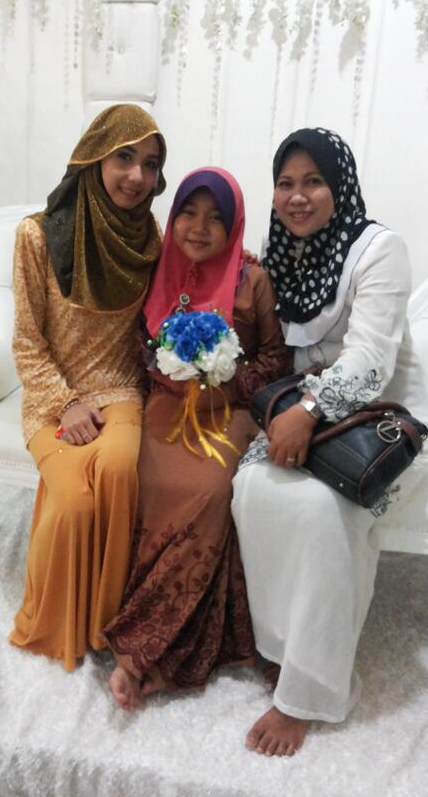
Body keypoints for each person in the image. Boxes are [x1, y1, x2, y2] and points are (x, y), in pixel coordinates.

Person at [231, 127, 428, 757]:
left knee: (322, 510)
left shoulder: (380, 250)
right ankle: (280, 648)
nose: (297, 197)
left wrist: (310, 408)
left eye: (314, 181)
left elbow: (371, 360)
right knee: (251, 488)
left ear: (339, 186)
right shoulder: (282, 256)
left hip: (383, 427)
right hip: (303, 420)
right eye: (285, 184)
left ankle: (309, 692)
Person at [102, 167, 293, 710]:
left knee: (207, 490)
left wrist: (224, 375)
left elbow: (276, 360)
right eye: (188, 212)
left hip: (230, 409)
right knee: (139, 477)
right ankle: (133, 626)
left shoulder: (252, 280)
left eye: (215, 218)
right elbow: (136, 344)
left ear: (233, 226)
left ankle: (149, 649)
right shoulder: (155, 268)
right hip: (167, 403)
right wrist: (169, 367)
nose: (199, 227)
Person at [8, 104, 167, 672]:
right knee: (74, 502)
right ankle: (54, 628)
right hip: (53, 393)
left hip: (120, 386)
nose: (137, 176)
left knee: (120, 469)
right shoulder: (37, 235)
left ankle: (105, 625)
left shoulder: (149, 238)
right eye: (124, 157)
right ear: (95, 156)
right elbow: (27, 341)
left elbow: (188, 278)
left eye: (150, 164)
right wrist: (65, 403)